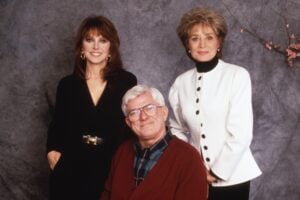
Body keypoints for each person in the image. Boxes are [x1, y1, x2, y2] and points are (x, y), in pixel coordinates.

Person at [168, 8, 262, 200]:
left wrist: (216, 172)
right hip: (194, 175)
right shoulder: (181, 82)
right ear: (187, 45)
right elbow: (176, 128)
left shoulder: (237, 75)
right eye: (195, 38)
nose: (202, 44)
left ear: (219, 42)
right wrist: (193, 164)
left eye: (209, 37)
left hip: (233, 176)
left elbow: (241, 133)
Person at [46, 15, 137, 200]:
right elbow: (58, 124)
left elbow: (131, 126)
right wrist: (52, 153)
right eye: (90, 40)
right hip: (71, 166)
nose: (96, 47)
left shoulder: (127, 81)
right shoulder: (67, 85)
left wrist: (127, 164)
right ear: (81, 47)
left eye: (102, 40)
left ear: (111, 47)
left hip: (111, 164)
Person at [101, 85, 208, 200]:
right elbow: (107, 195)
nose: (143, 117)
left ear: (164, 113)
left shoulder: (189, 158)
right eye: (134, 112)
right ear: (128, 122)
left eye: (149, 108)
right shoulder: (122, 152)